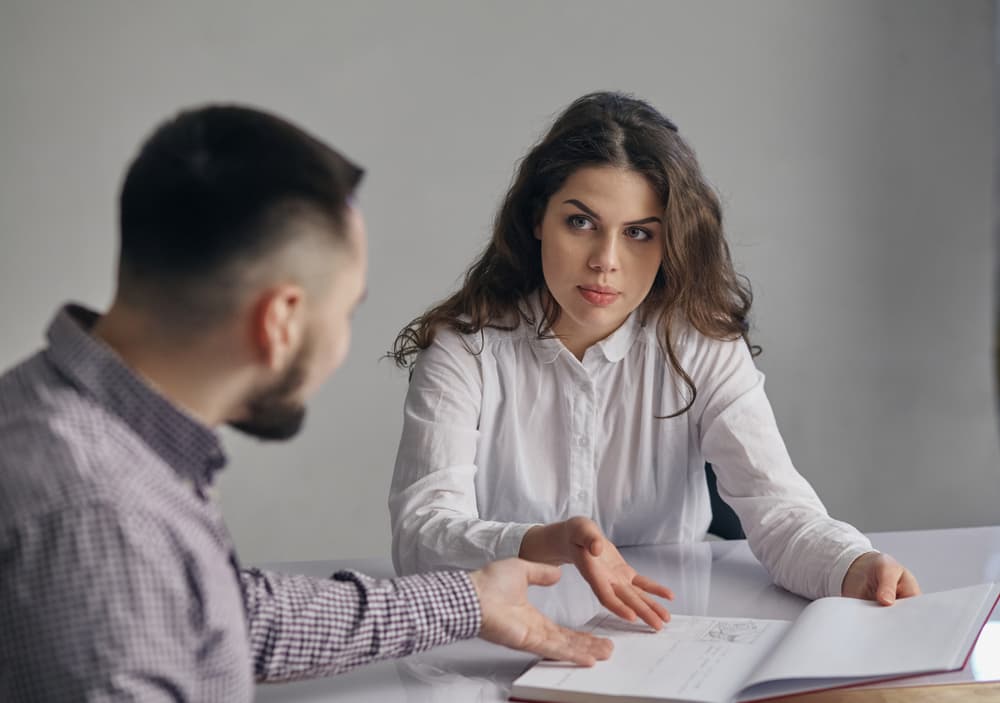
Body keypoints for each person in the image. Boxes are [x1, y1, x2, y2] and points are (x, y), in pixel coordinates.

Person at [0, 105, 613, 702]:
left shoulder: (64, 414)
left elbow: (212, 617)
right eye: (346, 311)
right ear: (281, 322)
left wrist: (467, 602)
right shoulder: (102, 517)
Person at [389, 92, 920, 631]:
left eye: (639, 233)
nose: (606, 262)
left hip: (664, 639)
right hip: (498, 644)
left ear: (671, 242)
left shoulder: (701, 345)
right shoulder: (465, 349)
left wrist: (852, 564)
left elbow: (777, 509)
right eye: (580, 222)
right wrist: (542, 542)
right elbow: (420, 538)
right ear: (536, 219)